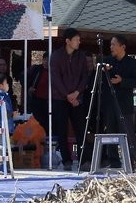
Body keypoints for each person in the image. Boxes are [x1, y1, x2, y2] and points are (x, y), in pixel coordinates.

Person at [49, 28, 89, 170]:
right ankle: (66, 160)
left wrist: (77, 93)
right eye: (76, 39)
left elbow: (85, 76)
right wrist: (67, 95)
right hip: (60, 98)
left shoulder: (81, 56)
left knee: (81, 129)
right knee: (62, 130)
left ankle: (83, 160)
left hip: (77, 97)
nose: (79, 42)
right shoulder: (56, 56)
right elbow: (55, 79)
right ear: (68, 41)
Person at [101, 35, 136, 166]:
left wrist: (122, 81)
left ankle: (131, 161)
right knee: (111, 132)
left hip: (124, 103)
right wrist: (103, 70)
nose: (111, 47)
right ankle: (113, 161)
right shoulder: (107, 61)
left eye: (114, 44)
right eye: (110, 44)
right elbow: (98, 77)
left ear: (122, 47)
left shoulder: (132, 63)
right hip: (109, 103)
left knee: (127, 133)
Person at [0, 73, 15, 173]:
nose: (8, 85)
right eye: (6, 83)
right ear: (0, 86)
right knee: (2, 146)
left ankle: (0, 167)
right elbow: (0, 112)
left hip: (3, 125)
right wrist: (12, 115)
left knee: (5, 145)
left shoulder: (3, 96)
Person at [26, 54, 50, 140]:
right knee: (37, 122)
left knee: (47, 123)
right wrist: (29, 87)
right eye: (46, 59)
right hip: (37, 100)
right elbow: (23, 76)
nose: (47, 62)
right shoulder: (36, 69)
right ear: (43, 60)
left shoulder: (54, 71)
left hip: (49, 102)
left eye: (49, 60)